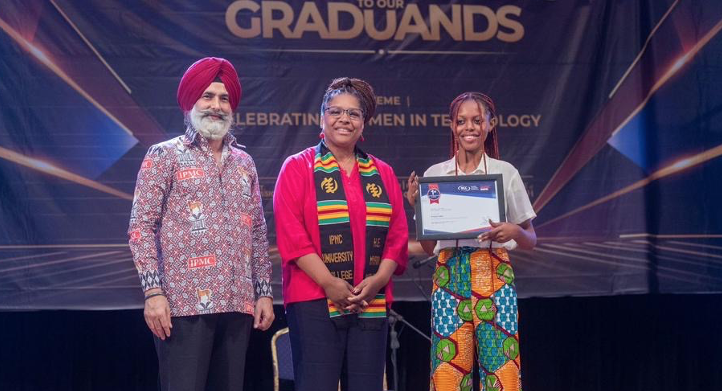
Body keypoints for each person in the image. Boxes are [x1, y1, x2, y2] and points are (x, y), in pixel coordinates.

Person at [128, 57, 274, 391]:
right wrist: (153, 293)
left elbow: (257, 232)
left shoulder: (244, 163)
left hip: (238, 304)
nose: (216, 106)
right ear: (190, 102)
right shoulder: (164, 155)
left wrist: (264, 293)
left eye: (224, 99)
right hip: (183, 305)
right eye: (207, 96)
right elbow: (141, 227)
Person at [273, 77, 408, 391]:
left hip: (369, 300)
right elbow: (291, 234)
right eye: (335, 112)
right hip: (314, 300)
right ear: (322, 118)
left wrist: (377, 281)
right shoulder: (296, 168)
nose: (344, 119)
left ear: (364, 124)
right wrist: (329, 282)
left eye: (354, 114)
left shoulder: (383, 173)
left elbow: (397, 237)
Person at [406, 92, 537, 391]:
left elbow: (531, 237)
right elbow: (429, 248)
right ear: (452, 126)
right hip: (449, 275)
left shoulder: (506, 173)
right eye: (462, 121)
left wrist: (513, 232)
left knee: (501, 373)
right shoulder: (435, 175)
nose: (470, 128)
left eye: (477, 121)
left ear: (490, 125)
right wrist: (417, 208)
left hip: (494, 273)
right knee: (447, 374)